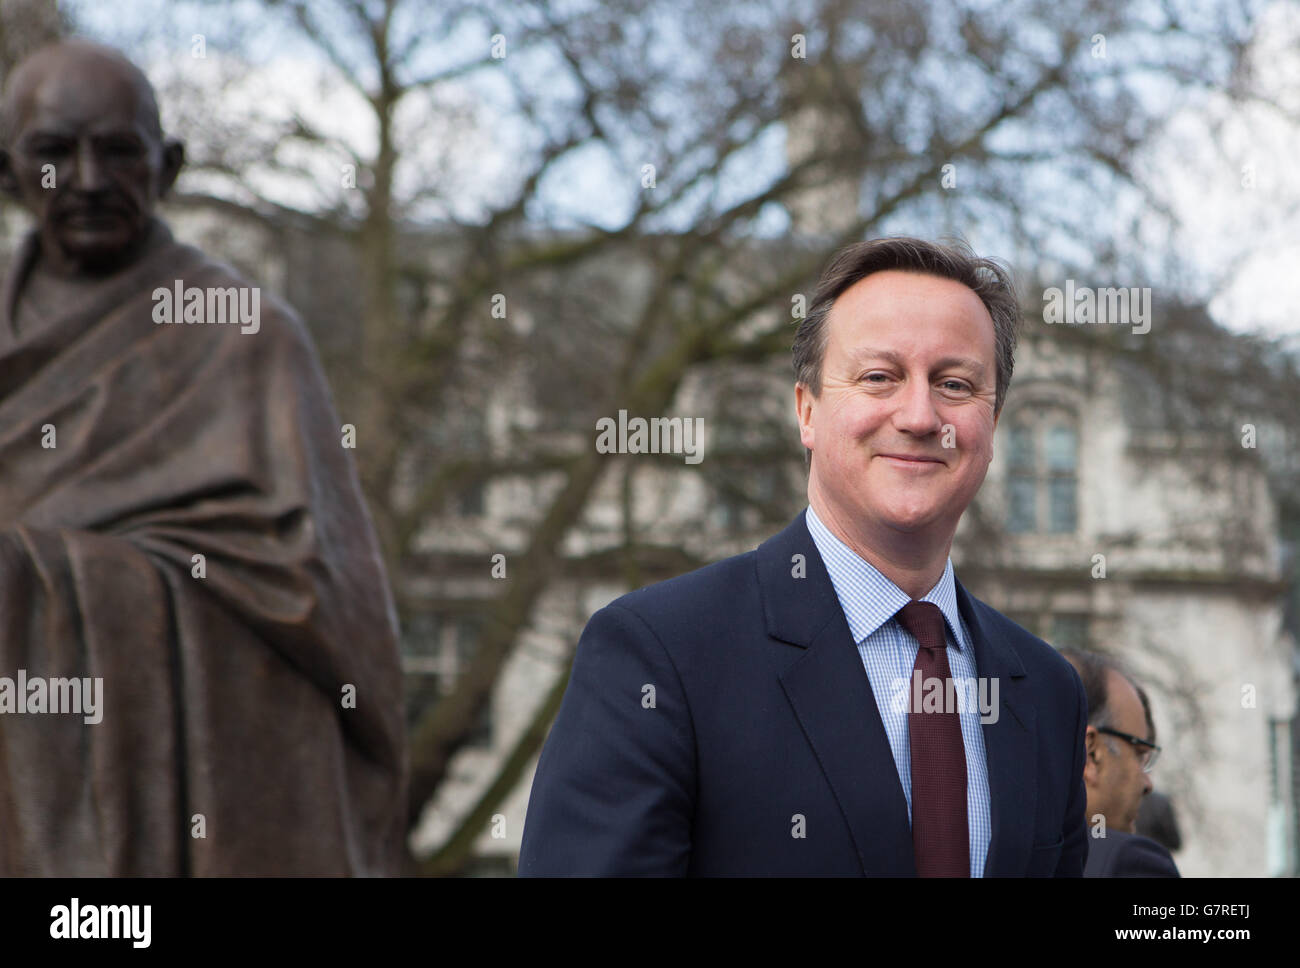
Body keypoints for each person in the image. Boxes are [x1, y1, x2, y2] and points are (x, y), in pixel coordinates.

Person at [520, 237, 1089, 876]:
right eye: (880, 377)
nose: (921, 414)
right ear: (807, 410)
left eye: (955, 384)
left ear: (993, 422)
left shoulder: (1044, 692)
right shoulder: (662, 653)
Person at [0, 39, 407, 874]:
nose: (85, 179)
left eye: (119, 150)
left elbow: (322, 601)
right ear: (5, 172)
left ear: (168, 165)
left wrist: (36, 575)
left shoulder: (244, 336)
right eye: (52, 152)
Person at [1060, 649, 1180, 877]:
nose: (1148, 784)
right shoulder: (1129, 863)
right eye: (1139, 754)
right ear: (1091, 754)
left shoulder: (983, 849)